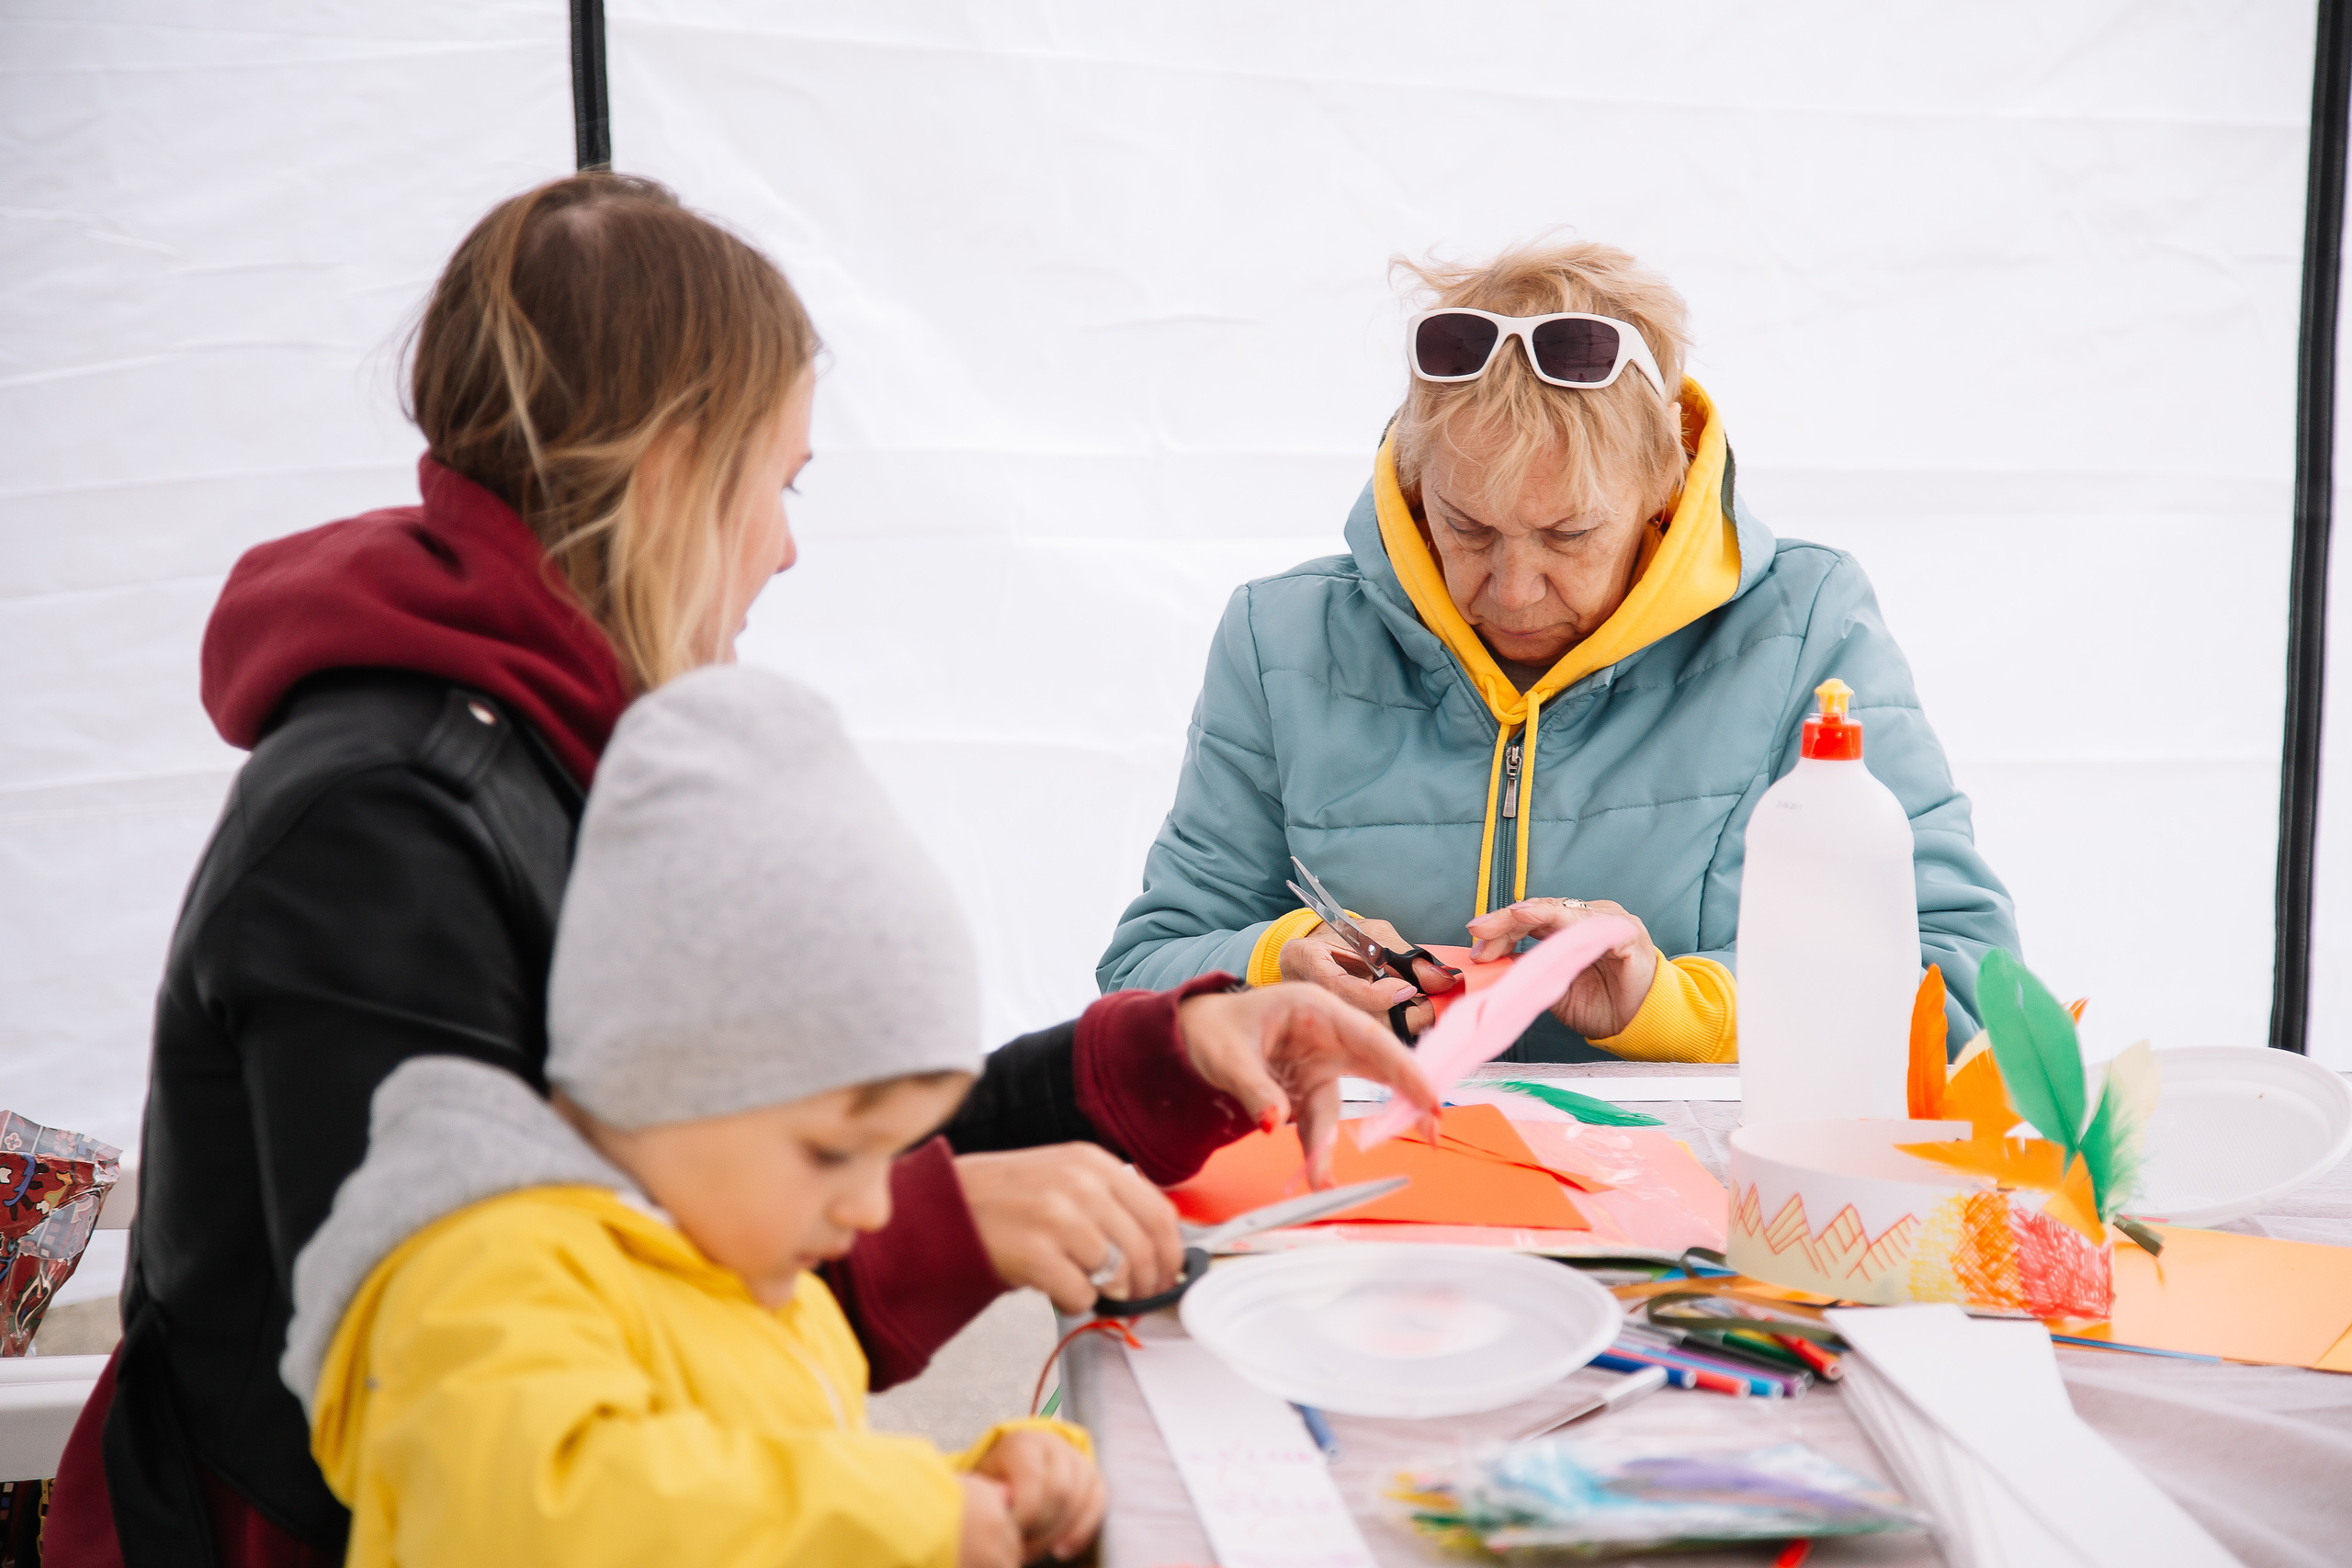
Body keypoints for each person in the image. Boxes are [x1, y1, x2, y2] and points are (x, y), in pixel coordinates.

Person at [49, 174, 1431, 1566]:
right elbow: (486, 1413)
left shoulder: (584, 749)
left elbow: (752, 1135)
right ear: (671, 470)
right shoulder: (378, 831)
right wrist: (931, 1246)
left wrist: (1170, 1049)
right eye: (780, 482)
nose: (786, 542)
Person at [1099, 241, 2018, 1061]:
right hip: (1373, 1196)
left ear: (1666, 485)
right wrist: (1271, 963)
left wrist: (1676, 1004)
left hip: (1697, 1216)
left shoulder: (1806, 626)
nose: (1511, 588)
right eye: (1466, 529)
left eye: (1569, 535)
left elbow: (1964, 986)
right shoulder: (1281, 639)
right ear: (1416, 487)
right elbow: (1142, 972)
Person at [285, 666, 1102, 1568]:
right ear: (667, 1079)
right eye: (833, 1151)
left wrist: (975, 1491)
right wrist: (910, 1516)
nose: (873, 1208)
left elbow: (761, 1500)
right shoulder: (489, 1273)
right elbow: (558, 1521)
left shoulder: (745, 1273)